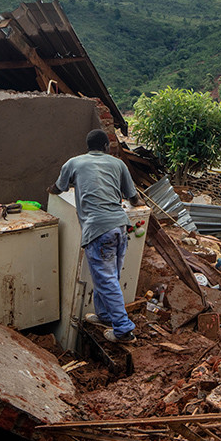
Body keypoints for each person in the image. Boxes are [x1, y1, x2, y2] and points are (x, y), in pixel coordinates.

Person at [48, 129, 144, 344]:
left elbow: (58, 188)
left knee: (106, 279)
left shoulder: (73, 163)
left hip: (98, 230)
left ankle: (123, 330)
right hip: (120, 227)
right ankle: (105, 316)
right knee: (110, 277)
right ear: (106, 147)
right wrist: (138, 204)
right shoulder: (118, 164)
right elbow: (134, 197)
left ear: (87, 146)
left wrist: (51, 190)